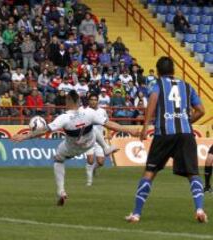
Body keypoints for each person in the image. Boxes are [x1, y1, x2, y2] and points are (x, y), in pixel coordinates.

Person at [11, 90, 139, 206]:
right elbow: (110, 124)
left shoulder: (63, 118)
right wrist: (129, 130)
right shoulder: (89, 113)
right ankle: (105, 147)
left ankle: (61, 191)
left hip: (71, 148)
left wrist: (24, 137)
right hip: (89, 143)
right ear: (79, 101)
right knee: (94, 127)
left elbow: (43, 131)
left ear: (67, 101)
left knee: (58, 159)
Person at [125, 56, 207, 223]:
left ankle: (136, 213)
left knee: (150, 172)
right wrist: (185, 121)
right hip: (185, 134)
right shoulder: (187, 86)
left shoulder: (157, 85)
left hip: (164, 133)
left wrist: (145, 126)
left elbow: (152, 102)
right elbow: (201, 110)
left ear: (159, 71)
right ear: (173, 70)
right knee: (193, 173)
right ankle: (199, 209)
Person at [84, 94, 110, 186]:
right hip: (88, 139)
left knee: (101, 162)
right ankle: (89, 182)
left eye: (95, 100)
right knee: (90, 160)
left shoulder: (102, 111)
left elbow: (107, 123)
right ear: (89, 101)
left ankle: (94, 169)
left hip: (99, 140)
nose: (93, 101)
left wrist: (109, 133)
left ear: (97, 101)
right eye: (91, 99)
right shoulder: (85, 111)